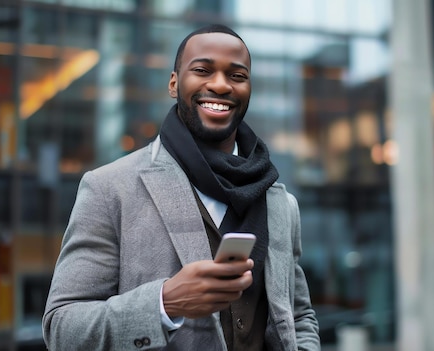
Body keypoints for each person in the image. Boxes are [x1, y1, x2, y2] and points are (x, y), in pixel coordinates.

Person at [42, 24, 320, 351]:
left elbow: (298, 316)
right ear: (174, 83)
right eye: (202, 70)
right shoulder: (109, 188)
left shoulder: (280, 203)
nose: (220, 84)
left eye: (237, 75)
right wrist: (164, 303)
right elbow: (62, 328)